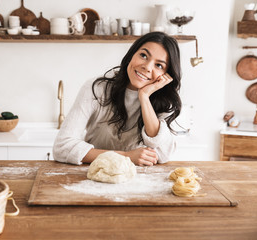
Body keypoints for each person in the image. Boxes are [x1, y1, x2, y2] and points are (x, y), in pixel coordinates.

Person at [53, 31, 182, 166]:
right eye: (143, 55)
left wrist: (144, 97)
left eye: (159, 65)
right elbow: (62, 147)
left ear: (166, 75)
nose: (147, 67)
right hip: (95, 175)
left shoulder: (166, 102)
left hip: (139, 180)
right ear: (132, 55)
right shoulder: (97, 88)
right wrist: (125, 156)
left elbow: (163, 154)